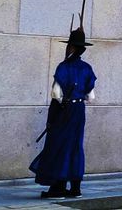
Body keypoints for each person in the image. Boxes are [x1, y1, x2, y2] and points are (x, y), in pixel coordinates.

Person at [30, 17, 96, 199]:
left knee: (59, 145)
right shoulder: (87, 68)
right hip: (79, 111)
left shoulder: (63, 67)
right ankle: (75, 188)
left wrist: (62, 105)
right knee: (75, 146)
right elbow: (91, 96)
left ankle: (58, 188)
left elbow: (56, 94)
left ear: (72, 47)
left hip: (64, 111)